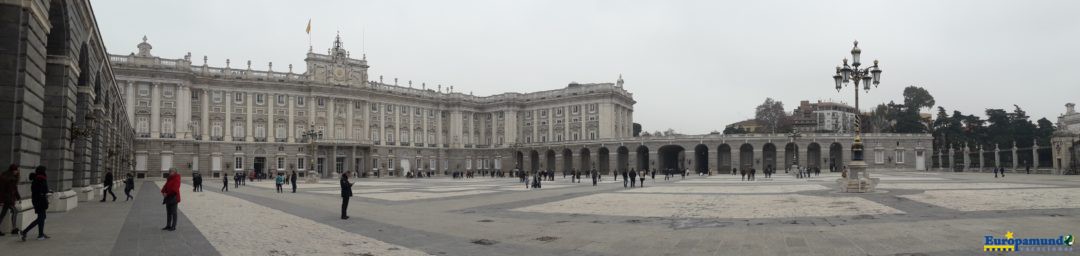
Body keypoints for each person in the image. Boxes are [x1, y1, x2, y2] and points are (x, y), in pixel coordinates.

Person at [21, 166, 51, 241]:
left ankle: (41, 234)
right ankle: (24, 231)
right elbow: (44, 190)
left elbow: (38, 190)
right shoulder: (41, 179)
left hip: (37, 200)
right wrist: (47, 192)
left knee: (42, 217)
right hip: (40, 201)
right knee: (41, 218)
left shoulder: (37, 179)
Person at [0, 164, 21, 236]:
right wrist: (1, 200)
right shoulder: (7, 178)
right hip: (7, 199)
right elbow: (2, 190)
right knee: (15, 211)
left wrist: (18, 197)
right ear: (13, 170)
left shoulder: (12, 178)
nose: (17, 171)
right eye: (16, 170)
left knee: (3, 214)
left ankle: (14, 229)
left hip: (9, 198)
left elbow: (15, 189)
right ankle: (14, 229)